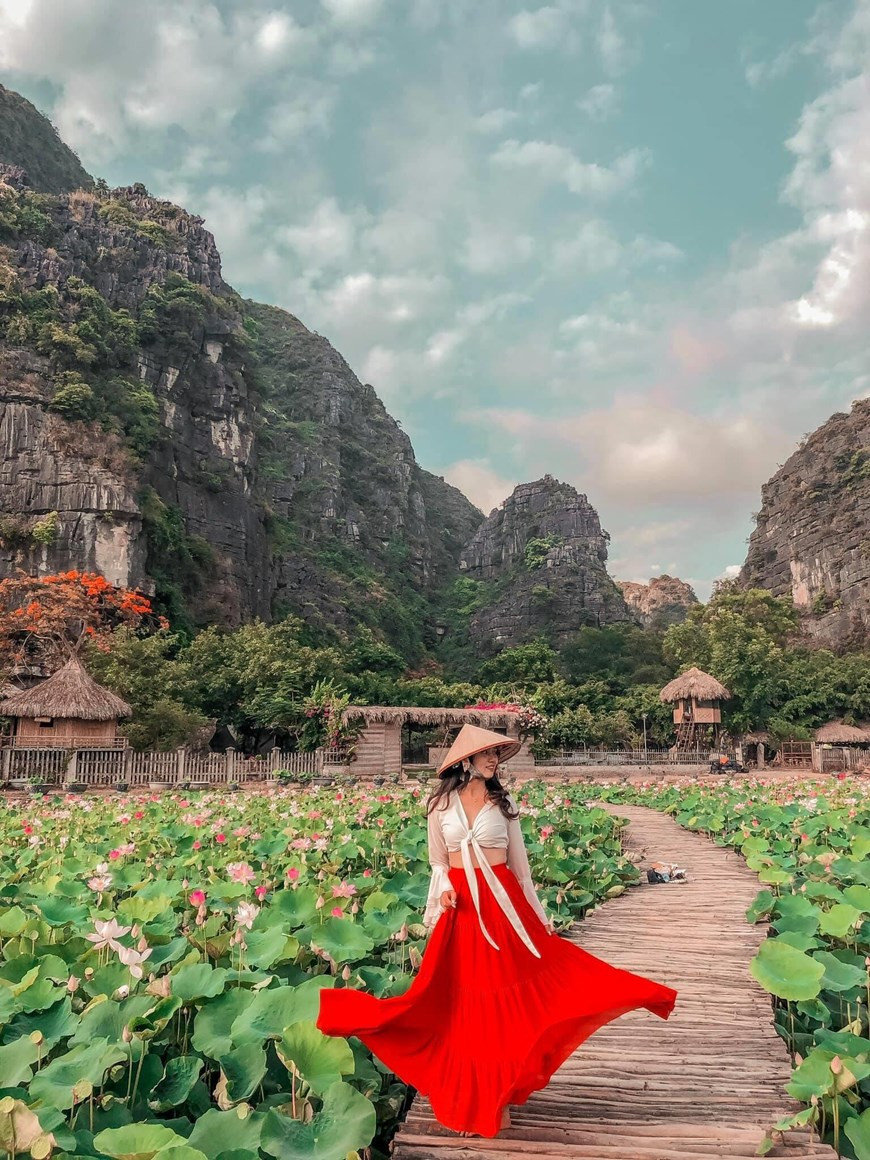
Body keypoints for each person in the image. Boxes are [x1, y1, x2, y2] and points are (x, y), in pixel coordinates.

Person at [316, 723, 678, 1138]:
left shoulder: (503, 806)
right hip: (463, 913)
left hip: (505, 911)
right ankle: (476, 1097)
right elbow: (439, 863)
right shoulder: (439, 806)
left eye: (495, 755)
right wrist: (446, 894)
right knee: (464, 1006)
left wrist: (540, 922)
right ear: (466, 761)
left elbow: (521, 872)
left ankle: (499, 1095)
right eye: (487, 754)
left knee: (512, 1001)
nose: (494, 760)